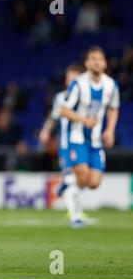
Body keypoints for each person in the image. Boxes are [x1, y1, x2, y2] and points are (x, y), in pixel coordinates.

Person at [59, 46, 119, 228]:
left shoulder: (111, 85)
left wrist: (109, 130)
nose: (96, 61)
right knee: (83, 175)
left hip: (95, 140)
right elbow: (64, 110)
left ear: (105, 63)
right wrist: (83, 120)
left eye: (100, 58)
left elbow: (114, 108)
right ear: (86, 63)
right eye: (92, 58)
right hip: (76, 138)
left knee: (93, 183)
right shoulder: (79, 84)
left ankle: (68, 187)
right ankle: (75, 216)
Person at [39, 65, 82, 217]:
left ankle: (66, 189)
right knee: (72, 176)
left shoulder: (85, 96)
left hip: (84, 142)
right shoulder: (61, 97)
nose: (71, 82)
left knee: (80, 179)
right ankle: (75, 214)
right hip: (66, 144)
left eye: (74, 79)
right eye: (69, 78)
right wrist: (45, 131)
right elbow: (53, 117)